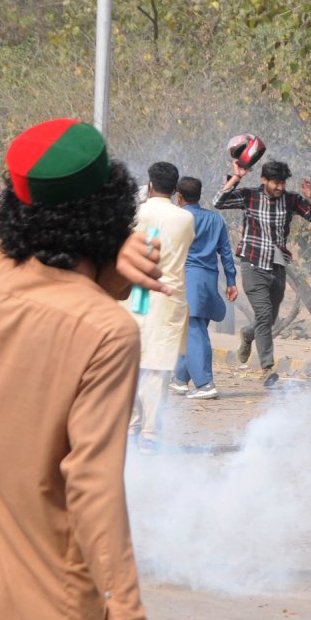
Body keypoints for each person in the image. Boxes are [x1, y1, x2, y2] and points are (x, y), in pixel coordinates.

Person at [0, 118, 151, 620]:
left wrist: (107, 258)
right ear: (113, 213)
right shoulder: (106, 332)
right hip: (53, 605)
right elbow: (92, 486)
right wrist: (128, 618)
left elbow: (25, 255)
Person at [212, 158, 311, 386]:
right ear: (264, 180)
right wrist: (237, 176)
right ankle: (267, 368)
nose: (280, 187)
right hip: (252, 265)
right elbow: (219, 202)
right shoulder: (249, 195)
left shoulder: (291, 200)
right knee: (263, 314)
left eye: (283, 183)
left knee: (269, 319)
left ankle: (248, 334)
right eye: (276, 183)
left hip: (278, 266)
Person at [130, 162, 194, 454]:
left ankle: (131, 428)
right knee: (157, 367)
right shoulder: (185, 218)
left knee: (130, 363)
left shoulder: (136, 212)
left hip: (135, 293)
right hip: (168, 296)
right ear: (176, 188)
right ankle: (150, 435)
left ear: (150, 183)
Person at [170, 176, 238, 400]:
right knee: (195, 329)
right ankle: (179, 379)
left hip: (188, 279)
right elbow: (226, 253)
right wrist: (231, 281)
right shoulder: (215, 219)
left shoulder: (179, 217)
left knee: (193, 331)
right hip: (209, 281)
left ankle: (205, 383)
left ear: (179, 196)